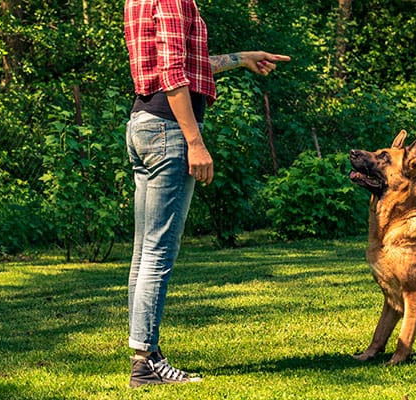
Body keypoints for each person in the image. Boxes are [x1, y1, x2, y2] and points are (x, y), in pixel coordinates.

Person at [124, 0, 290, 388]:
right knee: (159, 250)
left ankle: (145, 352)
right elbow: (172, 74)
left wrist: (241, 58)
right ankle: (145, 361)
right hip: (168, 130)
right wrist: (195, 142)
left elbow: (185, 64)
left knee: (145, 250)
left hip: (144, 124)